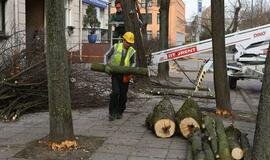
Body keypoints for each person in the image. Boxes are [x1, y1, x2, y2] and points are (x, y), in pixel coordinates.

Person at [104, 32, 136, 121]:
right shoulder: (116, 47)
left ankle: (120, 112)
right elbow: (106, 56)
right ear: (123, 40)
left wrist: (130, 70)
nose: (129, 44)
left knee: (123, 95)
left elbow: (133, 62)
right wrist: (106, 65)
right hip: (115, 74)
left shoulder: (132, 51)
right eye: (127, 42)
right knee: (115, 93)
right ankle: (112, 112)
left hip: (125, 76)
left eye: (130, 43)